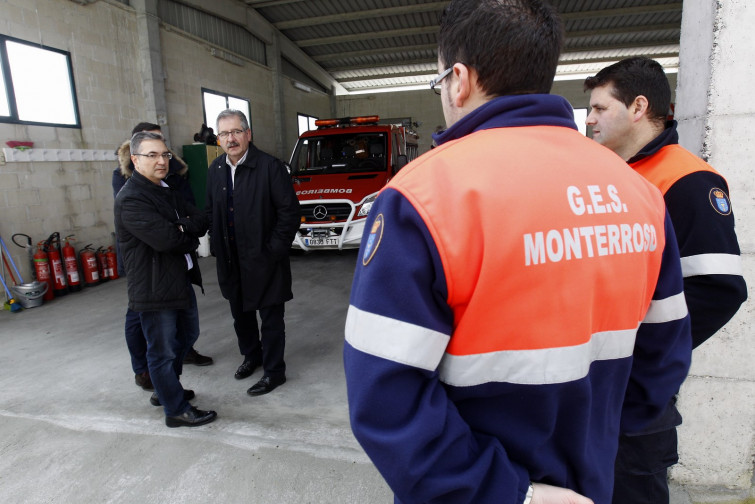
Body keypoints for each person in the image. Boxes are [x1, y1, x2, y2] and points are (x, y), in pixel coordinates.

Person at [343, 1, 693, 503]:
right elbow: (663, 357)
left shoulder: (423, 197)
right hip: (595, 483)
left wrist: (512, 493)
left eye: (440, 82)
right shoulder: (636, 192)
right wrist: (593, 448)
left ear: (458, 79)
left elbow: (384, 399)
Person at [584, 57, 747, 504]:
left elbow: (718, 288)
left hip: (634, 395)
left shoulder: (686, 178)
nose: (589, 119)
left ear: (638, 107)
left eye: (599, 108)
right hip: (592, 388)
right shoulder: (610, 174)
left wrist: (646, 357)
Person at [114, 131, 216, 428]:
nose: (161, 161)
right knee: (162, 350)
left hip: (178, 279)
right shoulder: (131, 198)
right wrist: (187, 235)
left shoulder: (165, 188)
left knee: (187, 336)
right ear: (135, 160)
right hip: (154, 286)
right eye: (152, 155)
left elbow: (199, 219)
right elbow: (169, 240)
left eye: (165, 154)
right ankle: (175, 410)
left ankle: (165, 388)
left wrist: (182, 228)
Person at [205, 109, 300, 396]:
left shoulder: (270, 167)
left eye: (236, 132)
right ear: (218, 139)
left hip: (265, 259)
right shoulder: (216, 170)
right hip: (232, 260)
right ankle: (252, 356)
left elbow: (289, 214)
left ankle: (274, 372)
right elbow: (211, 211)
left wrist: (273, 252)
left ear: (248, 134)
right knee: (241, 315)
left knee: (271, 320)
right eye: (224, 134)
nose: (230, 139)